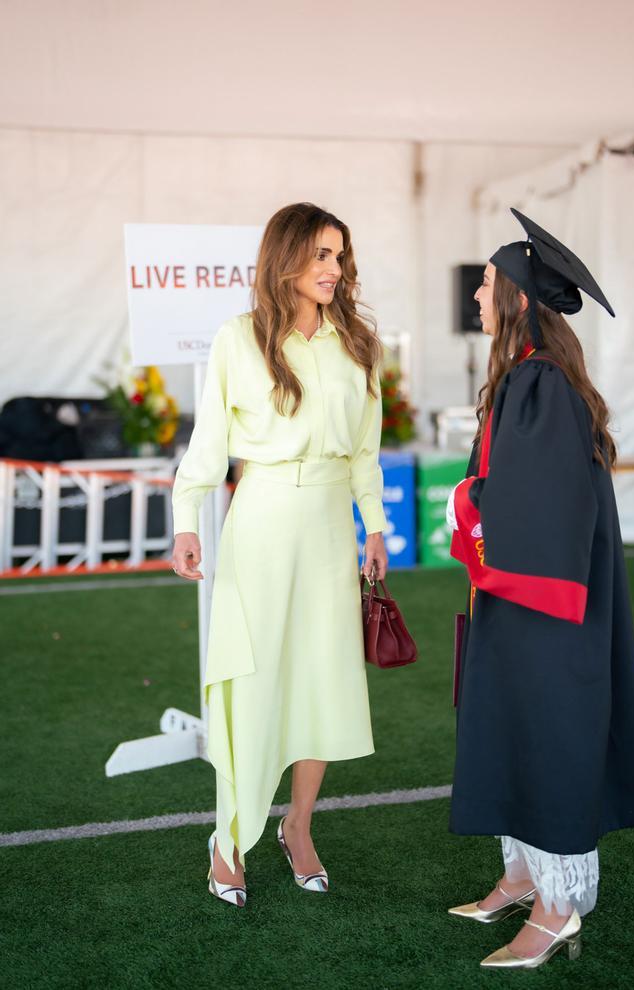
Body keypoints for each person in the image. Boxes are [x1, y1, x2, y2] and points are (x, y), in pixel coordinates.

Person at [446, 209, 634, 969]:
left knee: (548, 737)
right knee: (513, 726)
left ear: (517, 298)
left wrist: (465, 503)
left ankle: (556, 907)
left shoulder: (538, 383)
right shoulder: (532, 377)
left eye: (486, 282)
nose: (476, 295)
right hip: (528, 605)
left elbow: (533, 505)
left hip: (547, 609)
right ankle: (518, 874)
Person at [171, 202, 388, 907]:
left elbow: (365, 449)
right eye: (322, 254)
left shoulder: (358, 342)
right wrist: (184, 517)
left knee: (323, 676)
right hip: (260, 521)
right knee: (253, 681)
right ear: (286, 258)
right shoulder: (239, 339)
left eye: (339, 256)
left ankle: (298, 827)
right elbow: (208, 441)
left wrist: (375, 526)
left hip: (330, 525)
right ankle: (229, 838)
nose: (334, 268)